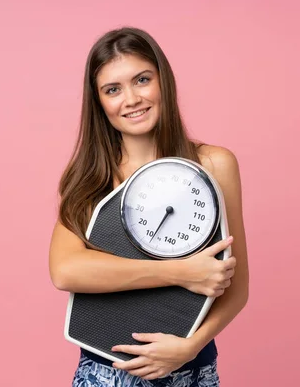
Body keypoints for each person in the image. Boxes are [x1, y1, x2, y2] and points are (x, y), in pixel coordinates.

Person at [48, 27, 249, 386]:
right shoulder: (90, 179)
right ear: (99, 102)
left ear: (163, 81)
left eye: (142, 80)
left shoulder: (214, 165)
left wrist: (190, 346)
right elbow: (65, 270)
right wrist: (181, 272)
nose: (131, 99)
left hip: (192, 370)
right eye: (113, 89)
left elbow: (237, 289)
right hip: (103, 374)